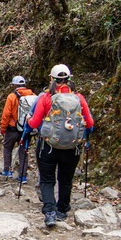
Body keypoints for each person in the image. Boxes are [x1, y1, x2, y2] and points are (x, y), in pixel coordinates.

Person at [20, 64, 94, 229]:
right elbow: (90, 123)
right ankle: (62, 210)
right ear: (69, 79)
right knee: (65, 180)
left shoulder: (46, 98)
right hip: (72, 148)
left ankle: (49, 212)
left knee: (47, 180)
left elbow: (34, 123)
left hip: (48, 146)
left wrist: (28, 121)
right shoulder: (79, 98)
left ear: (51, 79)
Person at [0, 76, 36, 181]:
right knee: (23, 152)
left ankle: (7, 170)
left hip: (12, 128)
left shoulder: (12, 97)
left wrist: (3, 128)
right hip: (26, 129)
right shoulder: (34, 96)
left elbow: (6, 114)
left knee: (7, 148)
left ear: (14, 85)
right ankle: (23, 176)